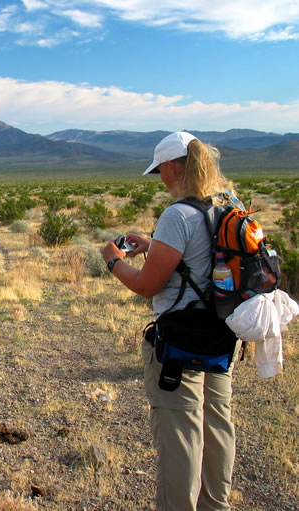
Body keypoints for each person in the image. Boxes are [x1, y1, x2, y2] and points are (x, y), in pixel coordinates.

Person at [102, 131, 239, 511]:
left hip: (182, 344)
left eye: (159, 170)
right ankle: (216, 504)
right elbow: (199, 259)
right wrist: (152, 245)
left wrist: (113, 260)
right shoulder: (225, 205)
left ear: (171, 166)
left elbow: (147, 285)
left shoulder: (177, 214)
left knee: (182, 437)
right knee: (218, 426)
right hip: (223, 336)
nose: (160, 178)